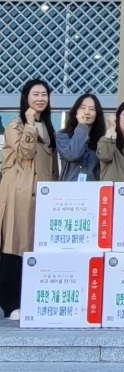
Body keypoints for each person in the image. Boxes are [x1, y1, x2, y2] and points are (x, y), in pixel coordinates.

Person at [0, 79, 58, 319]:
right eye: (36, 94)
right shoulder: (16, 124)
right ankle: (10, 304)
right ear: (26, 97)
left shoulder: (48, 126)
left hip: (42, 194)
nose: (41, 99)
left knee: (34, 246)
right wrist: (30, 124)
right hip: (19, 192)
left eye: (44, 94)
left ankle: (28, 298)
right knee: (15, 245)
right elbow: (25, 152)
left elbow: (52, 164)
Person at [56, 94, 105, 182]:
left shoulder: (101, 139)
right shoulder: (63, 135)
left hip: (92, 188)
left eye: (91, 109)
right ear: (76, 111)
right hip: (68, 188)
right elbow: (73, 155)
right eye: (83, 108)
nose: (87, 112)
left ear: (97, 114)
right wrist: (82, 126)